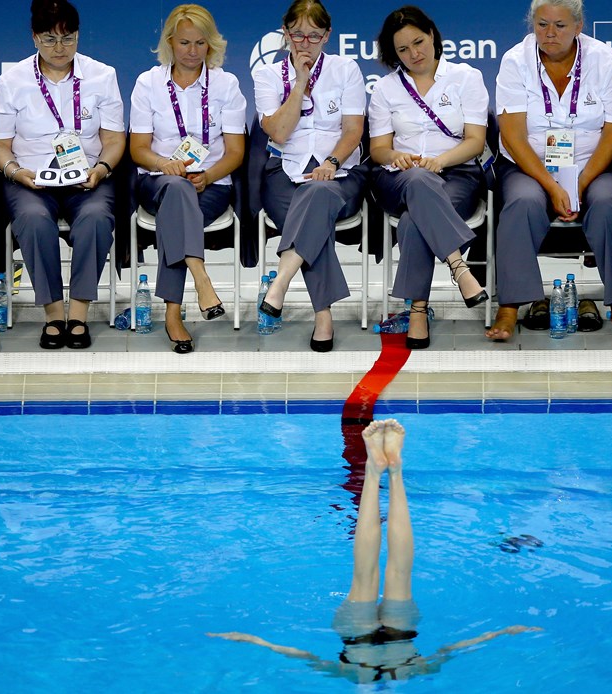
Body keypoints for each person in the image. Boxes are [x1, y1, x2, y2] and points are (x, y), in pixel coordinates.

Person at [208, 419, 541, 683]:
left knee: (395, 572)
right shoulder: (362, 677)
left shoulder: (409, 673)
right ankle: (381, 471)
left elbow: (450, 651)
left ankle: (388, 471)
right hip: (364, 651)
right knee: (368, 575)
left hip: (399, 650)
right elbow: (306, 658)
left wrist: (257, 642)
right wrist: (499, 632)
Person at [486, 0, 612, 342]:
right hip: (528, 166)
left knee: (609, 203)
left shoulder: (605, 60)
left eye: (560, 25)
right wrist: (552, 186)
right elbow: (512, 136)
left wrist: (580, 183)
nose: (550, 34)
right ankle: (510, 306)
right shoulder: (515, 61)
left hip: (595, 164)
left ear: (578, 26)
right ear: (533, 25)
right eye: (542, 25)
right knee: (523, 203)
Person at [0, 0, 124, 350]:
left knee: (95, 218)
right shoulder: (13, 80)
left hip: (87, 178)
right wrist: (17, 173)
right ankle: (52, 314)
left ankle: (78, 313)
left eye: (68, 39)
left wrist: (102, 169)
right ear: (34, 37)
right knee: (33, 220)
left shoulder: (101, 75)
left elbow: (113, 140)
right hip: (32, 179)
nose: (60, 49)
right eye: (49, 40)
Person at [368, 6, 489, 350]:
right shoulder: (386, 89)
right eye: (402, 50)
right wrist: (396, 156)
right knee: (418, 181)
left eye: (418, 42)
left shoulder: (466, 77)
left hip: (456, 174)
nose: (414, 54)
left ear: (433, 35)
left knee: (413, 219)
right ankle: (459, 265)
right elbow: (378, 149)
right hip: (397, 178)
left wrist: (440, 161)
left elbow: (475, 141)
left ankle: (417, 309)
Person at [129, 4, 246, 354]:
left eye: (200, 43)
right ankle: (202, 277)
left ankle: (173, 313)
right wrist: (165, 164)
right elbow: (138, 148)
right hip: (157, 182)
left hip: (210, 187)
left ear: (210, 45)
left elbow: (236, 153)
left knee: (177, 211)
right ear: (170, 42)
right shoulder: (148, 83)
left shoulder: (226, 84)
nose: (192, 51)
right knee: (175, 190)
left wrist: (207, 175)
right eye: (184, 43)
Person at [253, 0, 368, 352]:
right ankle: (323, 316)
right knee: (311, 216)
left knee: (317, 197)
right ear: (285, 33)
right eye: (298, 34)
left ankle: (281, 283)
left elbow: (353, 131)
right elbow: (279, 133)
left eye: (314, 36)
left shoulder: (346, 69)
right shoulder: (268, 75)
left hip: (341, 171)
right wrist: (300, 82)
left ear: (327, 36)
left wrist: (331, 163)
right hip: (284, 172)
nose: (306, 43)